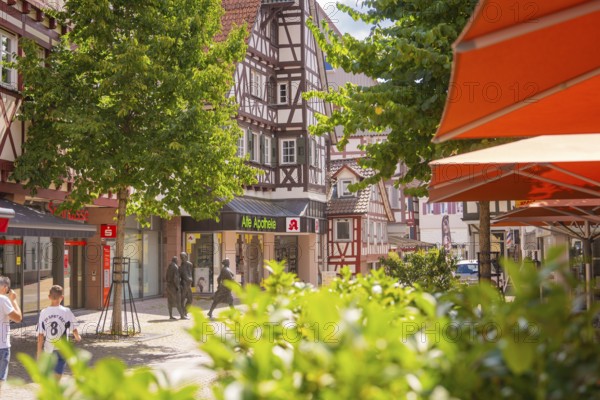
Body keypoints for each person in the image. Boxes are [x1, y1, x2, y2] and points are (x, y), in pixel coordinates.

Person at [36, 285, 81, 380]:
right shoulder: (66, 311)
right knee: (58, 375)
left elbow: (40, 334)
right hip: (62, 349)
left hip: (48, 348)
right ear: (62, 297)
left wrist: (39, 352)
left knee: (48, 374)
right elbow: (74, 328)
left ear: (49, 297)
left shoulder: (43, 312)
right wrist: (77, 337)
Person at [0, 276, 22, 392]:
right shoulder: (3, 300)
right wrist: (13, 300)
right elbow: (18, 318)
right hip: (2, 346)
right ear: (5, 287)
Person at [166, 256, 186, 320]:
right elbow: (176, 278)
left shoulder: (169, 266)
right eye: (177, 260)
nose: (178, 261)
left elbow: (166, 276)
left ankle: (171, 316)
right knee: (178, 301)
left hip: (168, 286)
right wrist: (177, 287)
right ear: (175, 260)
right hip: (173, 287)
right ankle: (182, 316)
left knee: (170, 301)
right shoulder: (175, 267)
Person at [179, 252, 193, 316]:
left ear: (186, 257)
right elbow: (178, 277)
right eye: (181, 257)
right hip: (183, 285)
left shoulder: (190, 264)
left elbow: (190, 273)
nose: (182, 258)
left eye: (183, 257)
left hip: (188, 285)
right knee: (182, 300)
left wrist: (190, 279)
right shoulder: (180, 267)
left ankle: (185, 311)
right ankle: (182, 313)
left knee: (190, 299)